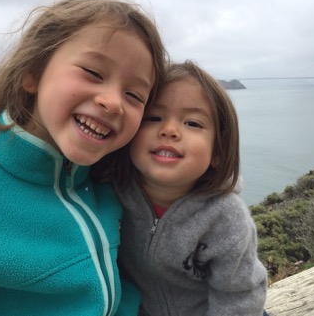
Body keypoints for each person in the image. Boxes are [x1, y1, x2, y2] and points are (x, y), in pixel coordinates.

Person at [0, 0, 167, 315]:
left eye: (134, 95)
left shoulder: (108, 181)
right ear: (33, 73)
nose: (113, 102)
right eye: (94, 72)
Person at [113, 60, 268, 315]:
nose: (170, 130)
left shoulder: (226, 218)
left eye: (193, 123)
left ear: (218, 151)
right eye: (153, 117)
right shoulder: (112, 190)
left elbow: (239, 297)